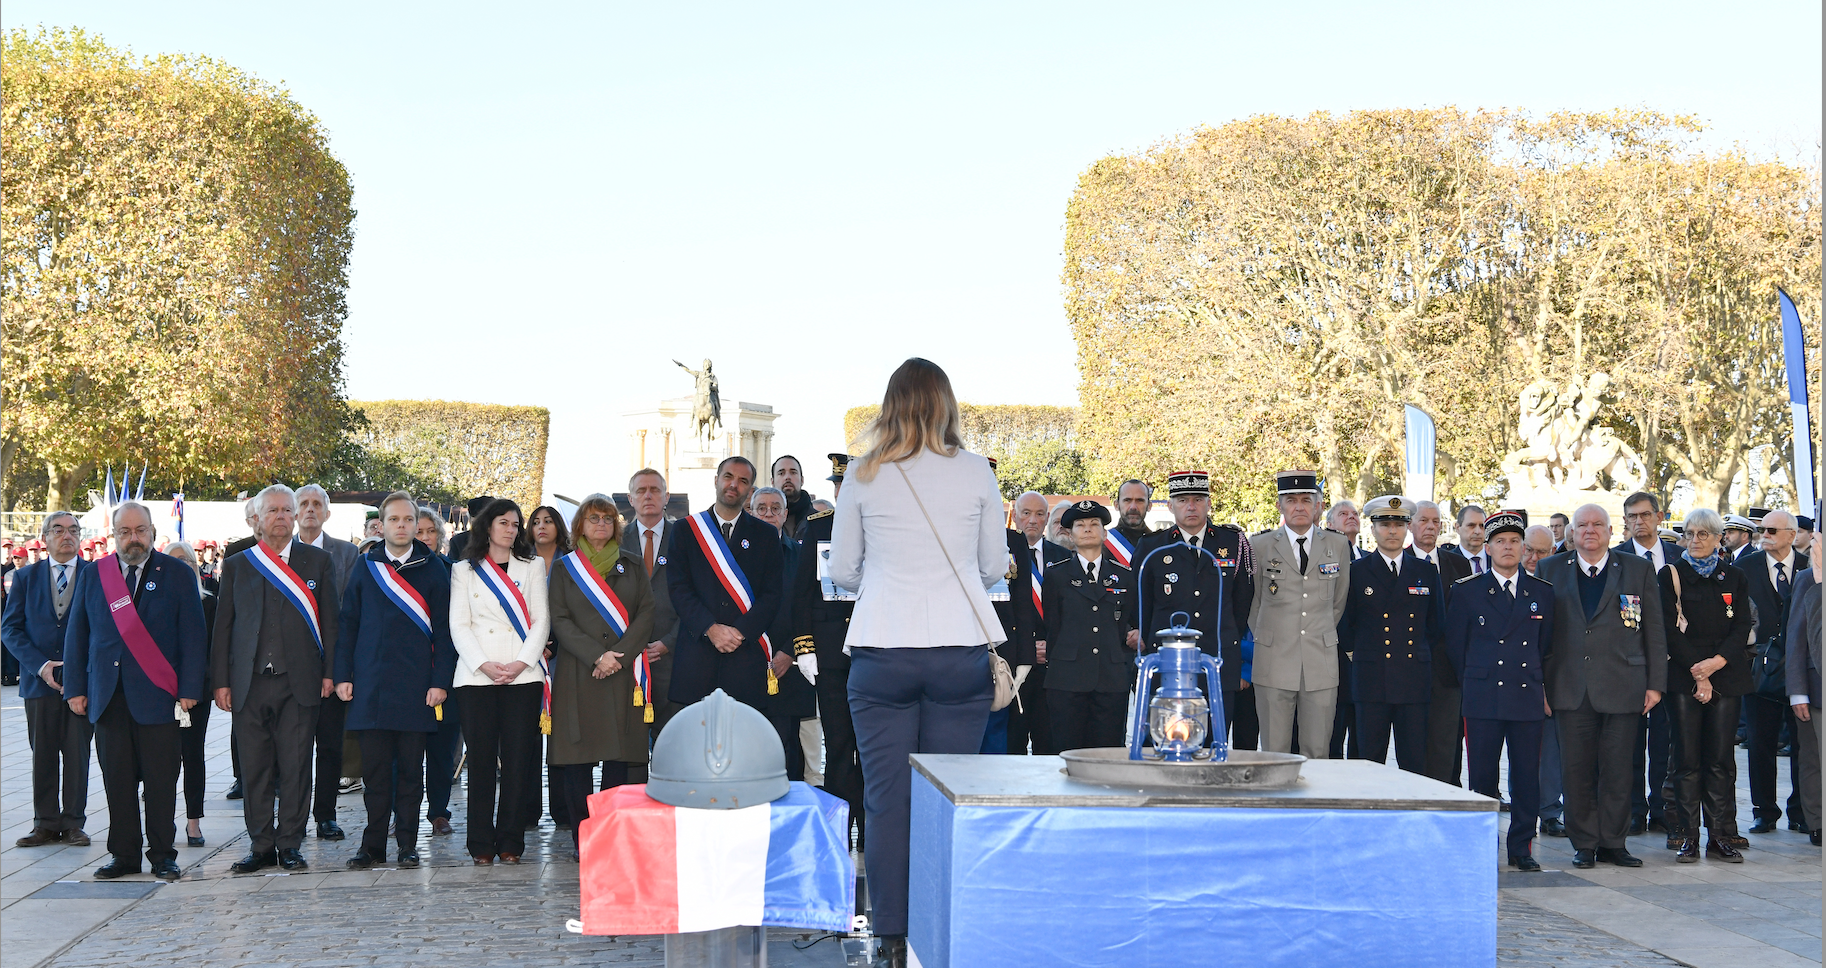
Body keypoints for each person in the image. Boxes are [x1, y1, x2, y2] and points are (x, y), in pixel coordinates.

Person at [828, 358, 1003, 962]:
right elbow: (991, 566)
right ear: (946, 404)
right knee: (948, 794)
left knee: (886, 798)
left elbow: (842, 570)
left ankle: (890, 931)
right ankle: (944, 921)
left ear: (890, 405)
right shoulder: (978, 470)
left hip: (883, 647)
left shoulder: (862, 474)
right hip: (958, 647)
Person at [65, 501, 207, 880]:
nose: (133, 539)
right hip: (108, 697)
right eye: (125, 532)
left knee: (162, 781)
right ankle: (124, 856)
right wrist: (75, 688)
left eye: (140, 530)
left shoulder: (176, 572)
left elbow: (193, 636)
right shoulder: (96, 574)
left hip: (159, 697)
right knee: (118, 782)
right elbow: (78, 635)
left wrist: (191, 688)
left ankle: (163, 854)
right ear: (114, 536)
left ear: (152, 532)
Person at [212, 483, 341, 874]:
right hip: (249, 682)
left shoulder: (317, 562)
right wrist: (220, 680)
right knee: (255, 768)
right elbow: (224, 626)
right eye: (273, 511)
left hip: (298, 681)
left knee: (297, 764)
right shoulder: (237, 563)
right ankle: (261, 844)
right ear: (257, 519)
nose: (282, 517)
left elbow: (331, 623)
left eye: (288, 510)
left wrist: (331, 673)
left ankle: (290, 844)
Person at [1536, 503, 1666, 869]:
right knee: (1576, 771)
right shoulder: (1550, 570)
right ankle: (1585, 843)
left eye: (1597, 525)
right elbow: (1541, 635)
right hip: (1570, 688)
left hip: (1625, 686)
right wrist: (1542, 686)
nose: (1589, 530)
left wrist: (1656, 684)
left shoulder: (1638, 569)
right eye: (1582, 525)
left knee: (1620, 769)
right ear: (1571, 534)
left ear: (1611, 531)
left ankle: (1613, 841)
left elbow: (1654, 630)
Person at [334, 491, 456, 869]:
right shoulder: (366, 566)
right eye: (394, 520)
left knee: (408, 772)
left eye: (407, 520)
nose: (401, 526)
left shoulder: (433, 568)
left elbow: (445, 632)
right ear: (381, 525)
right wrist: (343, 675)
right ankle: (372, 846)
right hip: (370, 687)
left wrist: (440, 682)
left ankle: (407, 842)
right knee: (374, 776)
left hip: (417, 688)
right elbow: (348, 624)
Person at [1443, 509, 1552, 871]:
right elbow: (1456, 647)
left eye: (1515, 542)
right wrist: (1475, 682)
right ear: (1487, 548)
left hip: (1525, 696)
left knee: (1525, 778)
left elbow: (1547, 647)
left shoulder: (1542, 593)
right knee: (1482, 777)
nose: (1508, 548)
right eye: (1500, 542)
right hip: (1483, 696)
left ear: (1525, 549)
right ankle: (1481, 845)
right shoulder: (1468, 591)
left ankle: (1521, 847)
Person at [547, 494, 653, 861]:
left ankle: (610, 834)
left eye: (608, 519)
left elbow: (646, 614)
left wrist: (617, 658)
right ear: (580, 525)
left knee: (619, 760)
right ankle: (583, 837)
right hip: (580, 672)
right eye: (593, 519)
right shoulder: (564, 569)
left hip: (623, 674)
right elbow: (558, 619)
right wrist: (597, 655)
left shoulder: (634, 565)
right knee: (577, 760)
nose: (601, 525)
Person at [448, 498, 549, 865]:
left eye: (515, 523)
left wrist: (521, 662)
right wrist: (484, 664)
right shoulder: (464, 570)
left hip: (523, 675)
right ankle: (480, 844)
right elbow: (459, 624)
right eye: (503, 522)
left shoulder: (533, 566)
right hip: (477, 678)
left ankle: (510, 842)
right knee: (482, 761)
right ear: (487, 526)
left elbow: (541, 620)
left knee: (519, 761)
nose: (511, 529)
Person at [1655, 507, 1753, 863]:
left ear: (1718, 539)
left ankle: (1721, 835)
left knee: (1720, 760)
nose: (1695, 540)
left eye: (1703, 534)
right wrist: (1699, 672)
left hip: (1726, 675)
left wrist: (1716, 664)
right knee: (1686, 759)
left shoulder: (1735, 576)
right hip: (1685, 678)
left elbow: (1742, 625)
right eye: (1690, 534)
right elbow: (1666, 628)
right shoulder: (1670, 575)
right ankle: (1688, 835)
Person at [1131, 471, 1253, 741]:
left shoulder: (1233, 543)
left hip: (1218, 661)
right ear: (1171, 506)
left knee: (1214, 742)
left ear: (1209, 504)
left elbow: (1243, 601)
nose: (1191, 506)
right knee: (1165, 741)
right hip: (1169, 663)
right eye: (1183, 500)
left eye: (1198, 499)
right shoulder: (1152, 546)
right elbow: (1140, 603)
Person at [3, 512, 94, 848]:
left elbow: (102, 628)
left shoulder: (94, 575)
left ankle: (73, 822)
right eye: (58, 530)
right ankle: (44, 822)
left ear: (80, 537)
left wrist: (79, 669)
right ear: (45, 537)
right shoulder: (25, 577)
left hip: (80, 683)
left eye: (73, 530)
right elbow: (10, 629)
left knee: (77, 752)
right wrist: (40, 666)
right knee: (42, 753)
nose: (66, 536)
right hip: (38, 682)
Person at [666, 455, 786, 709]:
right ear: (716, 480)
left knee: (743, 743)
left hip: (744, 655)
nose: (734, 485)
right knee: (696, 741)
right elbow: (678, 588)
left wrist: (741, 631)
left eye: (743, 481)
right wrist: (710, 628)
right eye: (728, 477)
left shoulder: (765, 535)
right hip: (697, 653)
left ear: (750, 489)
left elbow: (772, 594)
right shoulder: (686, 529)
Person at [1249, 470, 1352, 757]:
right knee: (1274, 750)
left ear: (1318, 505)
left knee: (1318, 749)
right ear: (1280, 505)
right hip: (1273, 659)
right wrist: (1269, 634)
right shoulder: (1259, 545)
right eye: (1290, 500)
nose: (1299, 506)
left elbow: (1338, 601)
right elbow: (1253, 603)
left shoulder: (1337, 545)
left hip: (1320, 661)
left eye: (1306, 500)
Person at [1339, 496, 1441, 773]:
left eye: (1399, 524)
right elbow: (1345, 623)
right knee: (1368, 761)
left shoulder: (1426, 572)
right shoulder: (1356, 572)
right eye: (1385, 524)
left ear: (1408, 527)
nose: (1392, 531)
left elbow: (1435, 625)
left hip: (1413, 678)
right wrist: (1358, 656)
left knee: (1414, 761)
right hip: (1372, 678)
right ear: (1372, 529)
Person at [792, 454, 864, 836]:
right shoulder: (819, 527)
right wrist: (804, 647)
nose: (845, 492)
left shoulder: (881, 527)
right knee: (838, 742)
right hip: (830, 653)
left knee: (871, 747)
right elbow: (801, 593)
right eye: (839, 486)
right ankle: (838, 825)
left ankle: (871, 828)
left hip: (872, 649)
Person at [1735, 508, 1809, 835]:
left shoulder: (1810, 568)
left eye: (1772, 531)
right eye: (1761, 530)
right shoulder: (1743, 568)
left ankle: (1801, 810)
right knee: (1760, 744)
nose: (1764, 535)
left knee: (1802, 745)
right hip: (1758, 670)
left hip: (1801, 671)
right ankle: (1764, 811)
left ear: (1792, 536)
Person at [296, 484, 363, 834]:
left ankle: (325, 815)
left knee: (330, 746)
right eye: (303, 503)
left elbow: (349, 615)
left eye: (316, 504)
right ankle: (292, 818)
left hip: (331, 665)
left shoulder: (347, 554)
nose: (310, 509)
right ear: (294, 511)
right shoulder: (279, 552)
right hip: (289, 670)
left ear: (327, 512)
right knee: (292, 749)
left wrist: (341, 670)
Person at [1043, 500, 1135, 750]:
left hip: (1110, 678)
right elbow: (1052, 624)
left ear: (1105, 533)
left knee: (1107, 754)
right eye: (1080, 525)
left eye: (1094, 524)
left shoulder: (1124, 576)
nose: (1087, 529)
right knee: (1065, 751)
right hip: (1067, 679)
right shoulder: (1056, 575)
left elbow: (1128, 622)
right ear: (1070, 535)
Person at [1617, 491, 1682, 835]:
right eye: (1632, 516)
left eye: (1644, 515)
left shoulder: (1678, 557)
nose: (1638, 521)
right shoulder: (1616, 559)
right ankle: (1633, 812)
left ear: (1659, 517)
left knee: (1665, 743)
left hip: (1673, 665)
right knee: (1628, 745)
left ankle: (1662, 809)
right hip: (1629, 666)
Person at [750, 486, 817, 780]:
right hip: (747, 664)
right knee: (749, 747)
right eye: (761, 508)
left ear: (785, 514)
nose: (768, 513)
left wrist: (789, 653)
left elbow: (812, 608)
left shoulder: (802, 555)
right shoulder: (733, 558)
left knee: (788, 747)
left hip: (788, 667)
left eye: (775, 508)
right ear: (750, 513)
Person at [1410, 500, 1472, 785]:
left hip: (1448, 671)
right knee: (1412, 743)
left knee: (1447, 743)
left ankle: (1446, 797)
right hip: (1409, 667)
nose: (1430, 527)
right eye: (1423, 520)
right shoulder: (1400, 560)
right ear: (1411, 525)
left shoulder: (1458, 564)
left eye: (1435, 521)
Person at [163, 541, 217, 847]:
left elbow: (209, 651)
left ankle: (193, 821)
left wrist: (193, 688)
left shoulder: (208, 602)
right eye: (175, 560)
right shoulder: (152, 603)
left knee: (193, 756)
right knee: (163, 760)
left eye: (187, 560)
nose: (182, 565)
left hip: (195, 695)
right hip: (160, 694)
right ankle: (163, 821)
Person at [1007, 491, 1069, 754]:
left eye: (1040, 514)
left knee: (1050, 745)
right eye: (1026, 513)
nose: (1033, 520)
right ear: (1015, 517)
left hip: (1052, 667)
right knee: (1013, 744)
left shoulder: (1064, 556)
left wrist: (1051, 647)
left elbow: (1069, 611)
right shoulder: (1000, 555)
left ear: (1046, 519)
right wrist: (1029, 648)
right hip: (1015, 663)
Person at [415, 504, 462, 836]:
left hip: (447, 671)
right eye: (419, 531)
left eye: (431, 531)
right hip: (407, 674)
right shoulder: (393, 572)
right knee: (404, 750)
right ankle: (401, 811)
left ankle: (439, 812)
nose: (426, 537)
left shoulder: (454, 571)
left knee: (443, 747)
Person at [622, 472, 681, 735]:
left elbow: (696, 597)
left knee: (672, 743)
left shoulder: (684, 538)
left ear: (666, 497)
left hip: (674, 658)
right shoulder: (615, 541)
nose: (648, 495)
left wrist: (669, 642)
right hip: (627, 659)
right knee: (630, 747)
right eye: (641, 490)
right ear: (630, 498)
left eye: (655, 490)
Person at [529, 503, 575, 827]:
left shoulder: (572, 563)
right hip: (527, 658)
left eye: (548, 521)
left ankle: (563, 809)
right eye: (535, 522)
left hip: (565, 657)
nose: (541, 526)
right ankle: (528, 810)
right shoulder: (518, 563)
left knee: (560, 735)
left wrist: (554, 642)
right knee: (528, 735)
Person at [1522, 524, 1567, 836]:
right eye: (1529, 549)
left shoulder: (1558, 586)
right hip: (1507, 681)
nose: (1532, 557)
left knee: (1550, 751)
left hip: (1549, 680)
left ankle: (1549, 812)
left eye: (1541, 551)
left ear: (1553, 552)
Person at [1784, 515, 1822, 847]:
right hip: (1816, 687)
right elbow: (1796, 637)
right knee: (1814, 759)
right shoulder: (1809, 579)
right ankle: (1818, 822)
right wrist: (1797, 691)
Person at [772, 455, 817, 539]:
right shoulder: (764, 520)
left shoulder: (818, 521)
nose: (787, 477)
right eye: (781, 473)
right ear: (772, 481)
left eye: (793, 472)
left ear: (802, 480)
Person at [444, 496, 495, 561]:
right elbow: (452, 567)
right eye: (478, 521)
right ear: (470, 520)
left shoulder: (505, 539)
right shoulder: (458, 541)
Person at [1451, 506, 1489, 574]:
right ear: (1457, 528)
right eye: (1471, 525)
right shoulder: (1447, 562)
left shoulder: (1496, 559)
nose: (1478, 531)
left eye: (1482, 526)